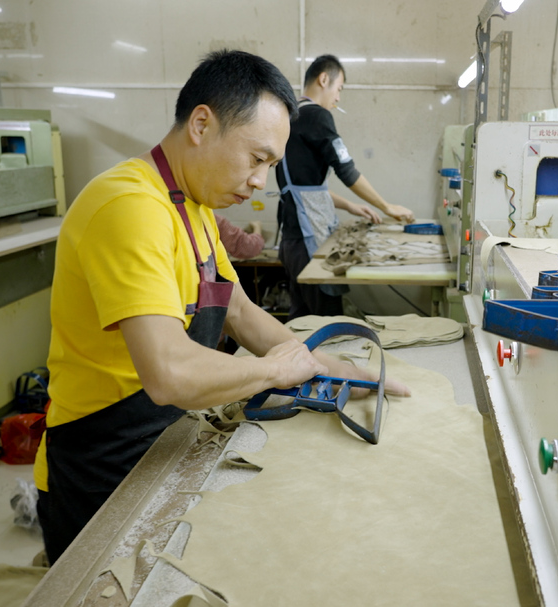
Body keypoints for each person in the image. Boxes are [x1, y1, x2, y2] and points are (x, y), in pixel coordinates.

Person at [34, 50, 408, 565]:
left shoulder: (194, 207)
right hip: (100, 467)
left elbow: (240, 312)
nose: (260, 182)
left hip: (163, 440)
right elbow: (168, 372)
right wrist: (274, 371)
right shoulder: (129, 207)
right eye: (256, 159)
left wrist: (333, 368)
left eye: (270, 166)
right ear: (202, 125)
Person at [276, 54, 415, 320]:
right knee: (328, 322)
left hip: (291, 242)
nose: (338, 98)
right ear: (323, 79)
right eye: (339, 89)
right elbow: (346, 170)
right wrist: (387, 207)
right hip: (309, 241)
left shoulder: (289, 117)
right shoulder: (317, 116)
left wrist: (351, 206)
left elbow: (304, 188)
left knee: (302, 320)